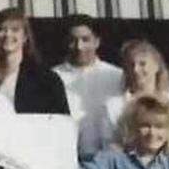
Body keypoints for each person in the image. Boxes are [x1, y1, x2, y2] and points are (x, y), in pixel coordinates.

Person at [90, 39, 169, 161]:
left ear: (156, 66)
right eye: (131, 64)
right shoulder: (113, 106)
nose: (136, 70)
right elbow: (108, 149)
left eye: (142, 64)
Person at [51, 14, 125, 157]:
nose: (79, 47)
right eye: (73, 41)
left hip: (108, 158)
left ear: (96, 42)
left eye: (85, 40)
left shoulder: (116, 76)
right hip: (66, 155)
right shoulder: (53, 77)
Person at [0, 8, 69, 115]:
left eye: (15, 29)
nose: (8, 34)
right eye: (3, 29)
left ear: (25, 37)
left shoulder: (46, 79)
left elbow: (61, 121)